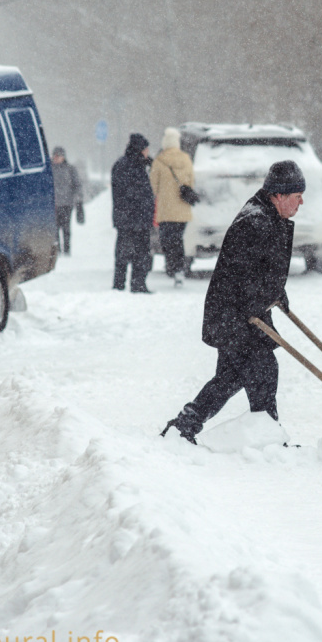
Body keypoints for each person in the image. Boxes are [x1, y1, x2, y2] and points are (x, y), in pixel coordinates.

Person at [161, 160, 305, 444]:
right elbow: (240, 274)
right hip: (235, 315)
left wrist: (276, 292)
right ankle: (269, 439)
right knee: (262, 370)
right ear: (279, 195)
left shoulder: (267, 216)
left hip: (240, 314)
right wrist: (259, 299)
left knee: (230, 377)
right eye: (297, 196)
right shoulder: (254, 222)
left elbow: (263, 268)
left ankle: (184, 426)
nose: (302, 202)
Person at [150, 127, 194, 287]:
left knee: (167, 240)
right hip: (183, 210)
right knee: (178, 239)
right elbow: (191, 182)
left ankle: (172, 267)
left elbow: (153, 187)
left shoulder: (159, 160)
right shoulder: (186, 159)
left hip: (166, 210)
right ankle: (179, 270)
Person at [111, 133, 154, 293]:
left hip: (128, 218)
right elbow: (131, 192)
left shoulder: (125, 164)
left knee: (125, 253)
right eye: (146, 148)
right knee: (139, 253)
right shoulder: (132, 166)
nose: (148, 152)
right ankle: (136, 284)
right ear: (140, 149)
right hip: (135, 217)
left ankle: (121, 284)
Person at [50, 146, 83, 256]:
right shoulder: (49, 169)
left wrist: (78, 200)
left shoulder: (70, 169)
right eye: (54, 155)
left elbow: (77, 185)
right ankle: (57, 250)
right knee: (55, 228)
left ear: (63, 157)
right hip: (53, 204)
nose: (56, 158)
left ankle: (67, 249)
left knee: (66, 227)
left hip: (66, 204)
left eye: (58, 155)